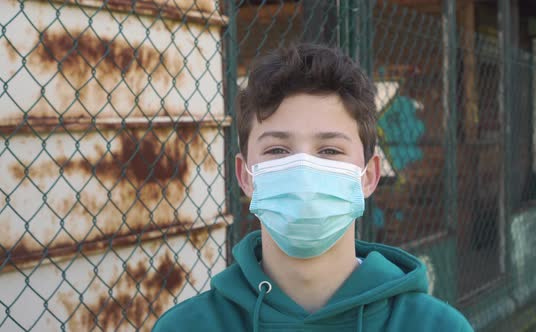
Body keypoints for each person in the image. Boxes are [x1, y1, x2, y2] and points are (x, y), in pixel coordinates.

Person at [153, 43, 473, 332]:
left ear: (369, 175)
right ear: (245, 175)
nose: (303, 172)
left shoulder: (437, 327)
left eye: (330, 150)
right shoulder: (184, 327)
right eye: (278, 150)